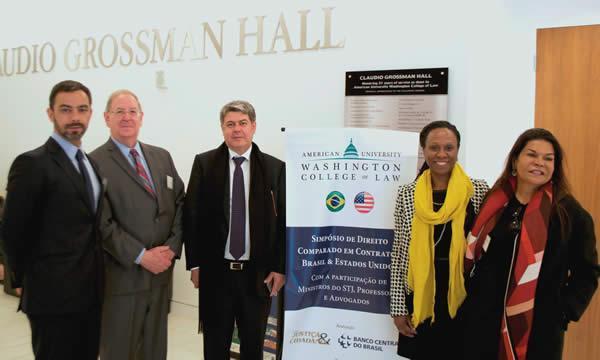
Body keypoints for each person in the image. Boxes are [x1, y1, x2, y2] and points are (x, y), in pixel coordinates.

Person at [462, 128, 599, 360]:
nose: (539, 163)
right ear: (515, 160)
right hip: (482, 322)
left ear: (555, 167)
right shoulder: (494, 203)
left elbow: (587, 272)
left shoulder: (570, 214)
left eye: (548, 158)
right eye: (532, 155)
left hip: (537, 329)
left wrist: (563, 312)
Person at [1, 80, 104, 359]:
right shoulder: (32, 163)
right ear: (51, 114)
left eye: (82, 110)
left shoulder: (90, 164)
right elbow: (13, 230)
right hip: (52, 297)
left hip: (90, 295)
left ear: (90, 114)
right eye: (66, 109)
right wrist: (22, 279)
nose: (75, 117)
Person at [183, 100, 285, 360]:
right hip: (216, 273)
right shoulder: (204, 164)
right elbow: (191, 217)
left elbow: (282, 221)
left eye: (242, 123)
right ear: (222, 128)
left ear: (253, 126)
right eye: (230, 124)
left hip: (258, 275)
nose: (236, 129)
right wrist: (195, 264)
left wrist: (279, 267)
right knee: (215, 345)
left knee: (253, 347)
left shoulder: (274, 168)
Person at [90, 89, 184, 359]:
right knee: (118, 350)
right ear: (107, 118)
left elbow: (180, 203)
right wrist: (142, 256)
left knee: (155, 351)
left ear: (141, 118)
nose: (127, 117)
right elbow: (100, 223)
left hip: (160, 278)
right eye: (119, 112)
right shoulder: (94, 163)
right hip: (121, 280)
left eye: (132, 111)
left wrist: (171, 248)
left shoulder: (161, 157)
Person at [390, 121, 489, 359]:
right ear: (423, 150)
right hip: (421, 292)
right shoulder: (407, 194)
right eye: (434, 147)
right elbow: (399, 253)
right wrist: (397, 307)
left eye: (449, 147)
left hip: (464, 293)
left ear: (457, 150)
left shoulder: (477, 190)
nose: (442, 154)